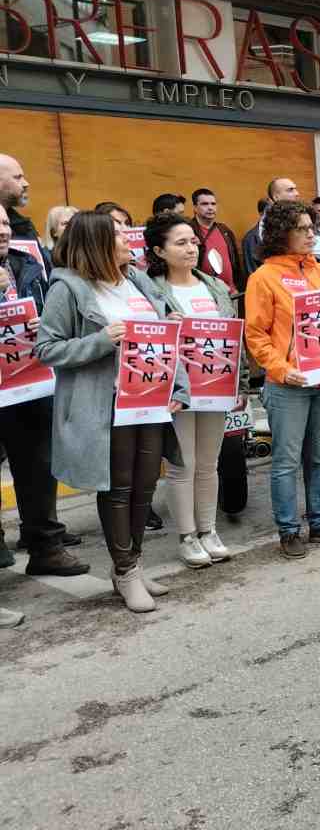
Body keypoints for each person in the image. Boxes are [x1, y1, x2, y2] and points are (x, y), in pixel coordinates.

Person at [35, 211, 190, 613]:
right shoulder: (68, 288)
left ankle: (131, 566)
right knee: (119, 489)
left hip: (150, 400)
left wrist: (179, 386)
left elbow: (164, 340)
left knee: (145, 486)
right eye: (118, 234)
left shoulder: (137, 279)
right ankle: (125, 569)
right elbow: (46, 350)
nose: (128, 240)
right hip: (107, 406)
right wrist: (101, 340)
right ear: (96, 243)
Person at [244, 200, 320, 559]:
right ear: (282, 234)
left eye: (312, 227)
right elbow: (256, 335)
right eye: (302, 229)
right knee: (287, 460)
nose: (312, 234)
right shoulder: (263, 277)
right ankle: (289, 529)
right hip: (289, 382)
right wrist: (280, 370)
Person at [145, 212, 243, 569]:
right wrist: (159, 323)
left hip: (216, 385)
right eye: (180, 242)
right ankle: (187, 536)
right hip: (178, 388)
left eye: (193, 241)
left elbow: (235, 337)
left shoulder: (214, 286)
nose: (191, 248)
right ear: (159, 249)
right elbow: (140, 334)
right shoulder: (150, 289)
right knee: (181, 466)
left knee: (209, 463)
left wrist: (239, 382)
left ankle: (208, 531)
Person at [0, 204, 88, 577]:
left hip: (30, 385)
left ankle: (45, 547)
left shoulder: (31, 264)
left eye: (5, 222)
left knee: (38, 467)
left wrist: (40, 320)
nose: (3, 231)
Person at [190, 188, 244, 293]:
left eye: (213, 204)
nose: (210, 208)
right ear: (195, 208)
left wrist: (236, 287)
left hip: (231, 292)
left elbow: (236, 260)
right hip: (206, 293)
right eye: (204, 204)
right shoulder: (189, 231)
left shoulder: (224, 230)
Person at [243, 177, 300, 275]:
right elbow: (255, 275)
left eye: (295, 189)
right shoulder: (254, 237)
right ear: (276, 197)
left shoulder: (300, 221)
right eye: (290, 190)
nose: (297, 194)